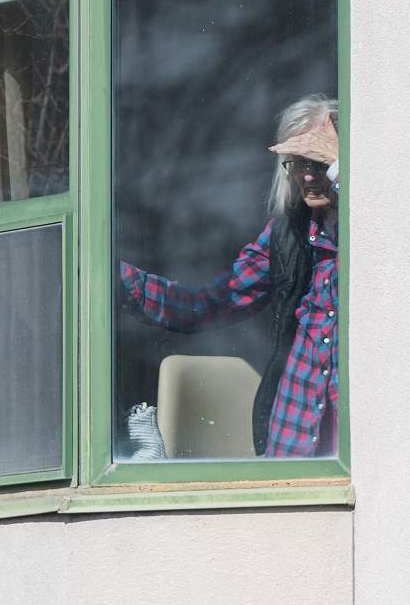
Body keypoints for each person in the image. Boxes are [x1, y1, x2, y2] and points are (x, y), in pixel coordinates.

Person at [119, 94, 341, 458]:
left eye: (318, 161)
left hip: (364, 452)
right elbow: (212, 302)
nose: (306, 175)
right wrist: (120, 281)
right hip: (292, 445)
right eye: (297, 162)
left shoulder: (375, 235)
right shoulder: (287, 236)